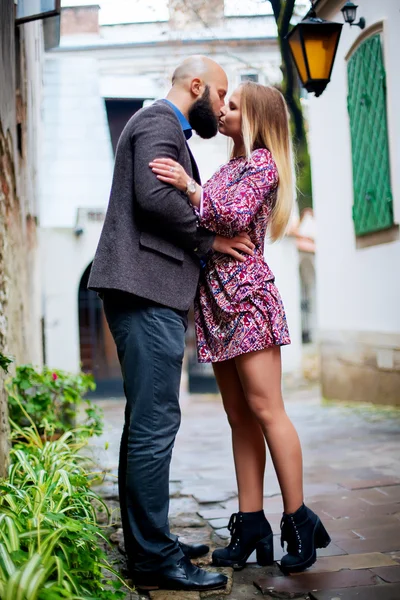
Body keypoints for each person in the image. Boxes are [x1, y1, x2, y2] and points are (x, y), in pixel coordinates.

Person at [149, 81, 331, 575]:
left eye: (231, 105)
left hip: (247, 299)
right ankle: (252, 523)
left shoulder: (263, 163)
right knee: (239, 418)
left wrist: (188, 187)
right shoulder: (229, 167)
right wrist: (194, 198)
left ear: (253, 118)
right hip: (217, 302)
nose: (221, 110)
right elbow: (207, 225)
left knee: (268, 409)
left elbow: (226, 215)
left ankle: (299, 517)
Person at [88, 56, 255, 592]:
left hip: (142, 289)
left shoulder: (158, 126)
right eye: (222, 93)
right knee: (156, 426)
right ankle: (155, 560)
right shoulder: (160, 121)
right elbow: (154, 196)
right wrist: (211, 241)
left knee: (145, 425)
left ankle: (148, 543)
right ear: (196, 85)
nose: (224, 106)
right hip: (144, 291)